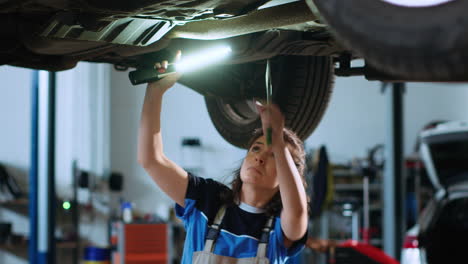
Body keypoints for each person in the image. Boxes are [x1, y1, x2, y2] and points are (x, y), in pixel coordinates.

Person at [137, 51, 309, 263]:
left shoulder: (278, 229)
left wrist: (279, 142)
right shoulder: (206, 199)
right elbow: (151, 160)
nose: (260, 158)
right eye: (256, 149)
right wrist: (155, 92)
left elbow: (298, 213)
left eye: (273, 155)